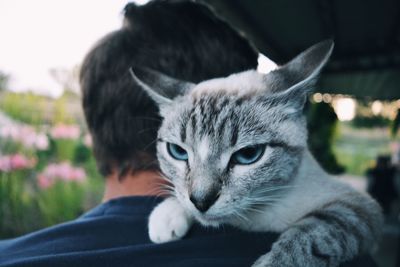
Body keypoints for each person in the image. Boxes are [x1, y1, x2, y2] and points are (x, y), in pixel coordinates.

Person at [0, 1, 377, 266]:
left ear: (95, 124)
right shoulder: (355, 260)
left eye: (245, 154)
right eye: (180, 153)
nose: (200, 195)